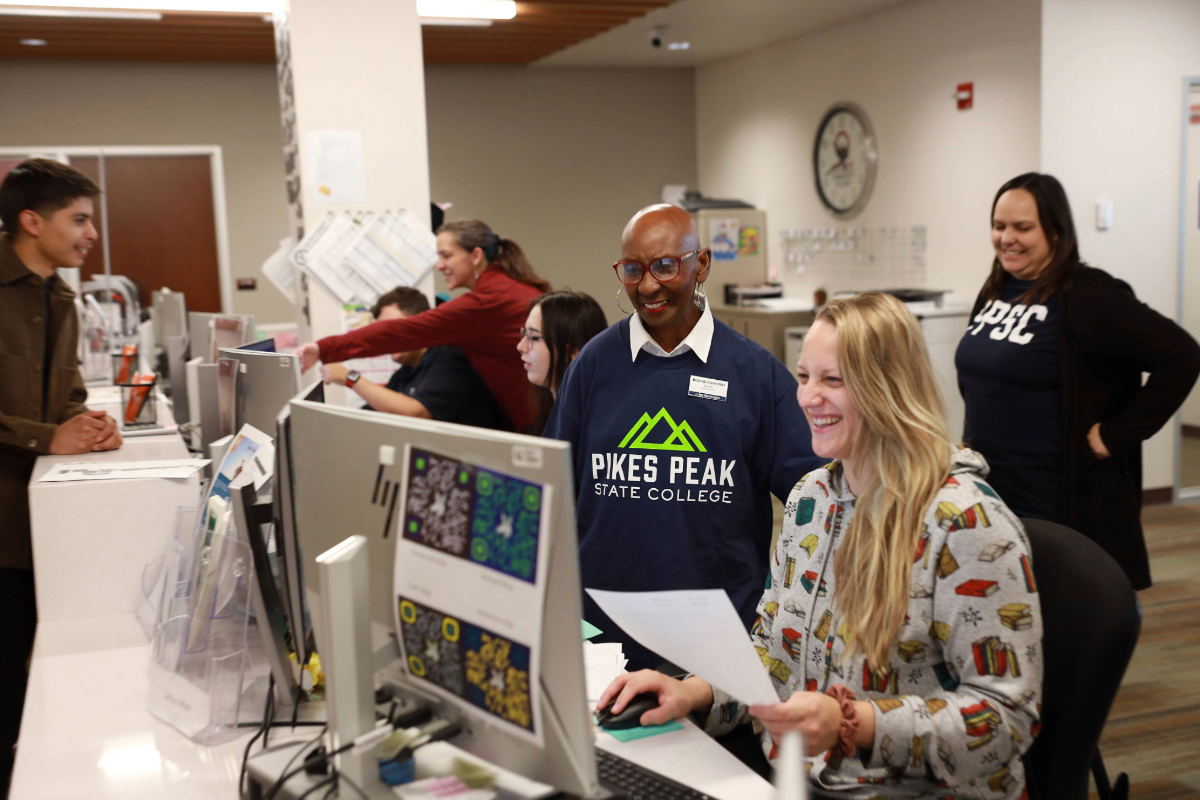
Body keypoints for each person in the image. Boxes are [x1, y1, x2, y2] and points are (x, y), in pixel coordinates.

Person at [601, 293, 1043, 797]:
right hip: (799, 780)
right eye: (804, 376)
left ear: (890, 388)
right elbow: (771, 650)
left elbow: (1008, 719)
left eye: (833, 380)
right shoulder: (811, 499)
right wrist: (691, 691)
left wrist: (856, 723)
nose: (808, 397)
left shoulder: (966, 522)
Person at [544, 204, 823, 671]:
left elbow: (813, 501)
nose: (648, 285)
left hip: (714, 648)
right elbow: (551, 490)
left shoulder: (754, 374)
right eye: (633, 270)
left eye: (666, 266)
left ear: (703, 264)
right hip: (604, 644)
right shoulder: (593, 367)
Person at [955, 173, 1200, 590]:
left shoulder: (1090, 294)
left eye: (1022, 227)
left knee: (1061, 630)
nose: (1006, 238)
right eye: (999, 226)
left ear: (1055, 230)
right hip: (992, 493)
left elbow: (1182, 355)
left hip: (1057, 503)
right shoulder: (998, 289)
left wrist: (1118, 433)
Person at [0, 158, 123, 789]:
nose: (90, 233)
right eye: (78, 220)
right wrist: (51, 436)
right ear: (30, 221)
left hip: (38, 518)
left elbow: (67, 391)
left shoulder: (61, 295)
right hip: (3, 524)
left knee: (35, 676)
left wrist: (89, 423)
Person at [296, 219, 549, 432]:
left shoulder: (485, 303)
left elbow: (401, 332)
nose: (439, 265)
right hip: (545, 412)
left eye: (446, 255)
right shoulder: (506, 288)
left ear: (475, 256)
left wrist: (324, 348)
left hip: (540, 419)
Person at [320, 286, 509, 430]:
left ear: (416, 325)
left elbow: (416, 412)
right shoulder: (406, 372)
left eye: (391, 328)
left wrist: (349, 377)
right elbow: (370, 415)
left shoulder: (450, 358)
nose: (384, 338)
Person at [518, 289, 607, 435]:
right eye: (524, 334)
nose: (521, 347)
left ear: (572, 351)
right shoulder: (550, 411)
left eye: (533, 337)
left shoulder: (596, 427)